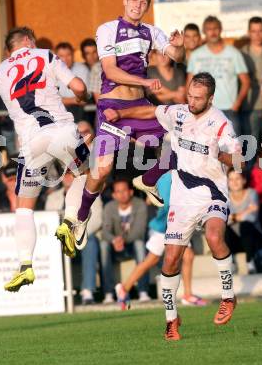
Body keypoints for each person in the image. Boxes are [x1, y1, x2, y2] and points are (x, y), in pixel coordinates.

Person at [0, 26, 90, 292]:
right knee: (87, 175)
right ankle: (70, 222)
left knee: (24, 207)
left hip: (31, 144)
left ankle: (25, 264)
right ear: (29, 41)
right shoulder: (45, 56)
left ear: (8, 49)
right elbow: (79, 87)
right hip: (61, 131)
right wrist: (83, 96)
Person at [104, 72, 243, 340]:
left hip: (212, 192)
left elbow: (240, 162)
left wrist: (219, 153)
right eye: (190, 95)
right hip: (182, 197)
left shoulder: (221, 123)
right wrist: (120, 115)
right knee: (169, 260)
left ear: (211, 98)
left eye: (198, 98)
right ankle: (171, 318)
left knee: (214, 237)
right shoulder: (178, 112)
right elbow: (149, 112)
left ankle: (228, 297)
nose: (191, 101)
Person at [74, 0, 185, 241]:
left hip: (139, 108)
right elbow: (110, 71)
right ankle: (80, 218)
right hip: (113, 107)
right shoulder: (107, 29)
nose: (138, 4)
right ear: (125, 1)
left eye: (144, 1)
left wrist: (178, 47)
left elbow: (175, 55)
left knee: (183, 138)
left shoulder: (150, 32)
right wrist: (146, 83)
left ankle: (148, 180)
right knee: (102, 170)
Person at [115, 171, 207, 310]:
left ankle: (188, 295)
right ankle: (124, 288)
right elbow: (167, 204)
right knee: (150, 260)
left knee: (188, 256)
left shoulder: (182, 173)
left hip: (176, 225)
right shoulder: (166, 177)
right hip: (163, 227)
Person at [45, 171, 103, 305]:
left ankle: (87, 292)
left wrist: (77, 232)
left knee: (91, 242)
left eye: (71, 174)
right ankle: (55, 294)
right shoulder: (52, 198)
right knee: (50, 246)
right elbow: (49, 222)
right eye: (65, 174)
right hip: (60, 241)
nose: (68, 177)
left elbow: (97, 221)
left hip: (83, 237)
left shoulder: (91, 194)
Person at [187, 15, 250, 135]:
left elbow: (246, 82)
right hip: (204, 110)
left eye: (215, 28)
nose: (213, 32)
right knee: (207, 150)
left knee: (232, 150)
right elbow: (189, 84)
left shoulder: (233, 53)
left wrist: (237, 103)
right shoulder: (196, 55)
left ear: (220, 30)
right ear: (204, 31)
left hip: (229, 110)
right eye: (209, 29)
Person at [100, 179, 149, 304]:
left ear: (131, 192)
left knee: (139, 244)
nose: (122, 194)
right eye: (118, 191)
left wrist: (122, 239)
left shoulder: (140, 205)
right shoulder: (109, 207)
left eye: (124, 190)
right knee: (104, 244)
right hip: (115, 247)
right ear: (113, 195)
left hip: (132, 246)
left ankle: (143, 291)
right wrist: (114, 239)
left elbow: (139, 231)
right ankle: (108, 293)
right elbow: (105, 231)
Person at [225, 169, 262, 274]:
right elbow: (224, 220)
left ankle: (250, 262)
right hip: (235, 240)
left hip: (253, 238)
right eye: (231, 179)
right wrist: (245, 212)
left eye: (237, 179)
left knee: (245, 226)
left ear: (244, 180)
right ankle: (231, 263)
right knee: (225, 229)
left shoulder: (252, 193)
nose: (234, 182)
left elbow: (252, 218)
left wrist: (232, 217)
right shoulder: (225, 198)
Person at [240, 17, 262, 141]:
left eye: (260, 31)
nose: (257, 35)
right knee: (250, 146)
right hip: (249, 105)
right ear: (249, 33)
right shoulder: (241, 53)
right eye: (254, 31)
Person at [55, 42, 90, 122]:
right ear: (56, 57)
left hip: (80, 111)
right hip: (58, 112)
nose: (65, 59)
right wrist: (74, 100)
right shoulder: (51, 72)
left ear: (73, 55)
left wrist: (63, 100)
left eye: (68, 55)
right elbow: (51, 100)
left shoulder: (82, 69)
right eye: (62, 56)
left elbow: (85, 99)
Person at [80, 38, 102, 103]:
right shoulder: (80, 70)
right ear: (83, 56)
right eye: (88, 53)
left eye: (94, 52)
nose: (92, 56)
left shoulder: (105, 68)